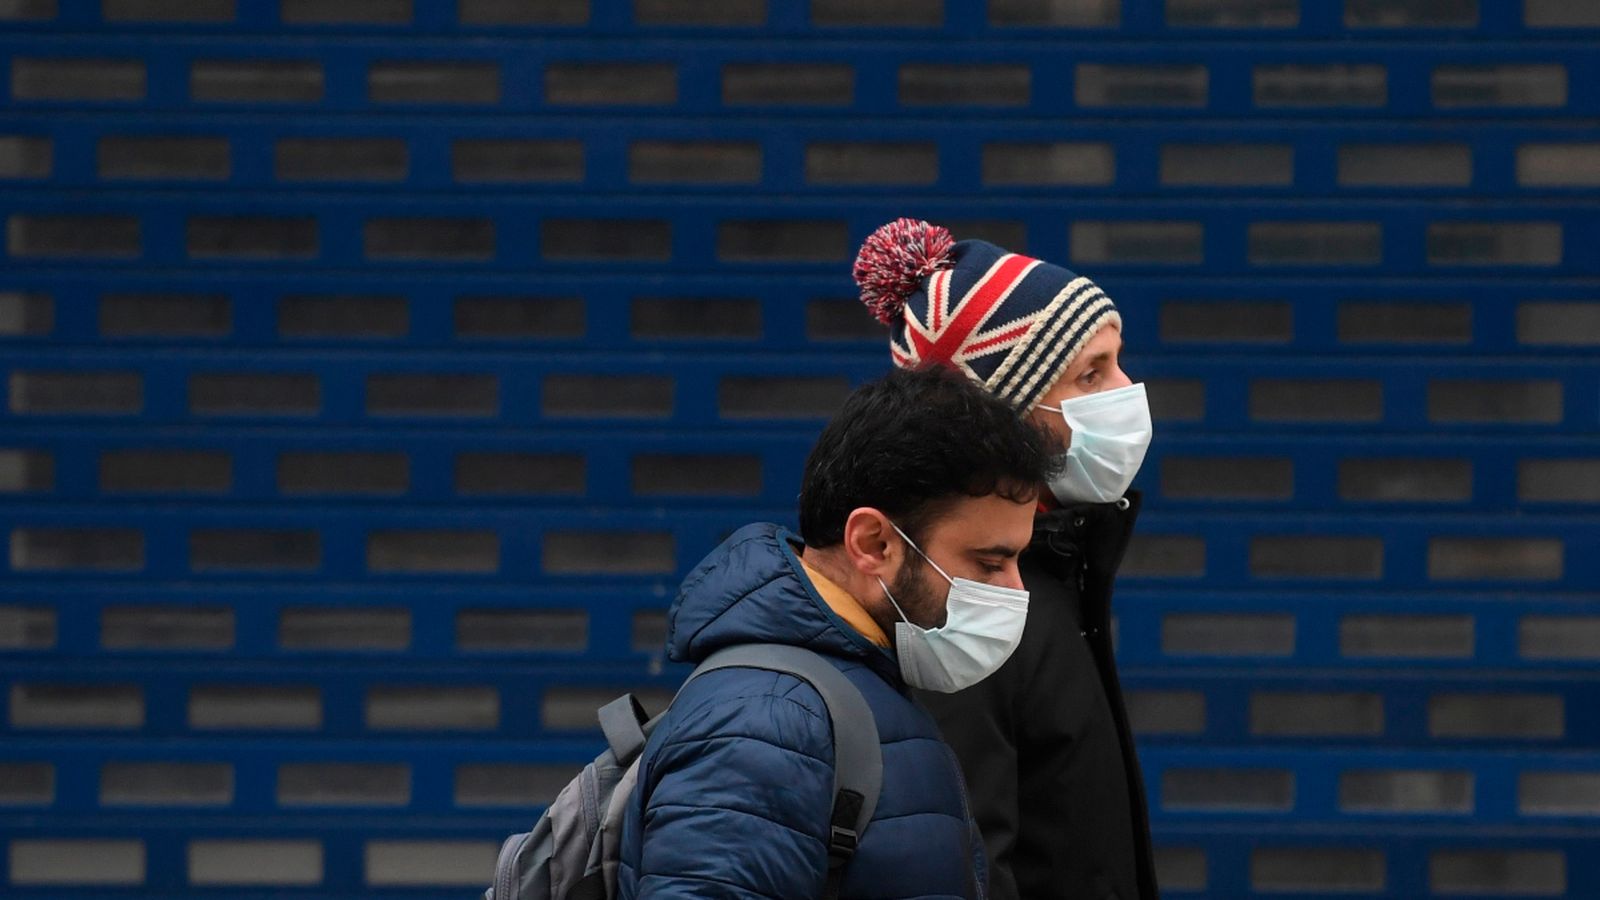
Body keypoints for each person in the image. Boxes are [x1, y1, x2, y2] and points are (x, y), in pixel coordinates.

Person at [617, 365, 1063, 900]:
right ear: (873, 543)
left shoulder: (852, 690)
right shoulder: (766, 724)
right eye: (990, 563)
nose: (1015, 590)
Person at [852, 219, 1158, 900]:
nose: (1126, 389)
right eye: (1092, 372)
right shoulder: (967, 602)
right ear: (1006, 417)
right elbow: (966, 867)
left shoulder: (1048, 567)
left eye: (1117, 359)